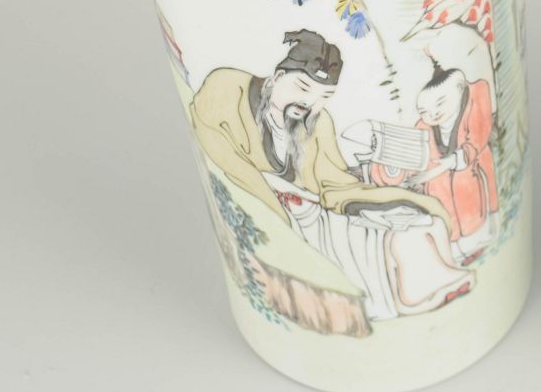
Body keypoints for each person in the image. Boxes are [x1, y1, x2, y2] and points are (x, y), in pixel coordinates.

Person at [190, 30, 473, 320]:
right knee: (369, 235)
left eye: (324, 96)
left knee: (414, 218)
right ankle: (412, 296)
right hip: (280, 206)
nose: (310, 102)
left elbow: (334, 182)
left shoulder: (318, 122)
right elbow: (217, 145)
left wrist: (373, 201)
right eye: (302, 87)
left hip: (314, 203)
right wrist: (275, 200)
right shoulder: (230, 90)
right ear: (278, 77)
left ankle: (439, 281)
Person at [373, 61, 498, 262]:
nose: (433, 114)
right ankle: (454, 251)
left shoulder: (474, 102)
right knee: (440, 198)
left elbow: (477, 138)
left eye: (440, 103)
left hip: (471, 175)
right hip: (442, 189)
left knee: (466, 191)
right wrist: (391, 168)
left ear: (459, 90)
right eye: (424, 111)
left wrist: (450, 163)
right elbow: (413, 159)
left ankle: (477, 244)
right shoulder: (424, 128)